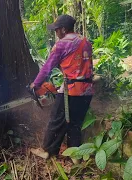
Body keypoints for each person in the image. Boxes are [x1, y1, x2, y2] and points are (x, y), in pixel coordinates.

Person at [29, 15, 94, 163]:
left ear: (64, 29)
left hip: (71, 91)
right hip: (87, 89)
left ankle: (47, 151)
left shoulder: (61, 45)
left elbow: (47, 67)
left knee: (56, 120)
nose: (56, 32)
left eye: (57, 29)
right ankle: (75, 155)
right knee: (75, 123)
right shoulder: (86, 42)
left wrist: (36, 84)